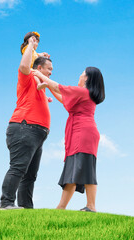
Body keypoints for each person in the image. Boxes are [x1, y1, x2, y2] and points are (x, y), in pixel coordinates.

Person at [33, 66, 105, 212]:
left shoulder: (82, 92)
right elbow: (64, 99)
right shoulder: (83, 95)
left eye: (82, 73)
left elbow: (59, 87)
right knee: (72, 170)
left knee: (85, 169)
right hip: (79, 133)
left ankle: (91, 206)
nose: (79, 75)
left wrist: (41, 75)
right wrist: (47, 85)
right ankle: (61, 207)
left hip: (83, 134)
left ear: (87, 78)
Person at [0, 36, 54, 210]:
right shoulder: (28, 76)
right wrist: (31, 45)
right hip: (24, 128)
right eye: (49, 69)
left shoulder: (40, 84)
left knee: (30, 175)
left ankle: (26, 208)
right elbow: (24, 66)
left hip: (38, 133)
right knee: (18, 168)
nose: (51, 72)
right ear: (38, 68)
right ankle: (6, 203)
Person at [20, 31, 52, 102]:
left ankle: (44, 96)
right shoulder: (27, 48)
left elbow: (38, 54)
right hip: (30, 68)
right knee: (37, 76)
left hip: (34, 68)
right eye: (35, 41)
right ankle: (39, 84)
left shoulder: (34, 51)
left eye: (37, 42)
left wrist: (43, 54)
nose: (36, 44)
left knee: (41, 77)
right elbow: (27, 53)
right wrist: (31, 43)